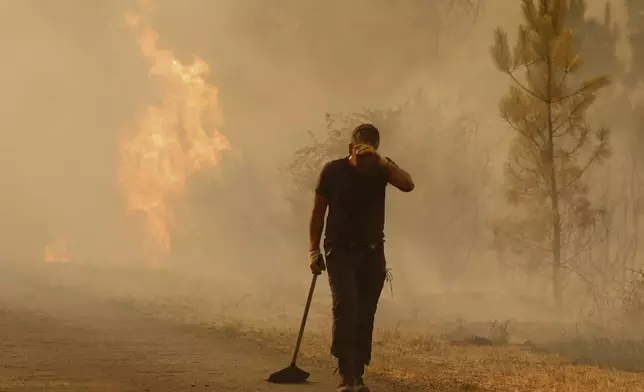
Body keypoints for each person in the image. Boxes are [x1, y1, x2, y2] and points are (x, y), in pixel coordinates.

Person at [308, 123, 414, 392]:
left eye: (371, 154)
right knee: (346, 305)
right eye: (360, 154)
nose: (364, 162)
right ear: (350, 149)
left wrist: (380, 161)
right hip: (339, 250)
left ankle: (358, 373)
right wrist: (313, 250)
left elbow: (408, 185)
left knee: (365, 312)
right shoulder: (333, 170)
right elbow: (318, 212)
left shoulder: (381, 168)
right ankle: (346, 374)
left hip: (372, 251)